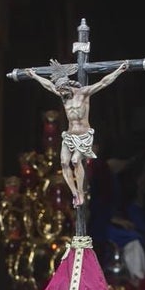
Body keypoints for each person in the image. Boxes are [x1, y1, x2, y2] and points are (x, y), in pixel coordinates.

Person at [24, 59, 130, 205]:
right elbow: (48, 85)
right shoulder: (63, 96)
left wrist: (119, 71)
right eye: (59, 91)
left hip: (83, 135)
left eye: (62, 90)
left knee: (75, 160)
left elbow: (103, 83)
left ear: (67, 85)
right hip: (70, 135)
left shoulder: (83, 93)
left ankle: (80, 192)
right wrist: (35, 76)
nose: (61, 94)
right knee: (64, 162)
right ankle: (75, 194)